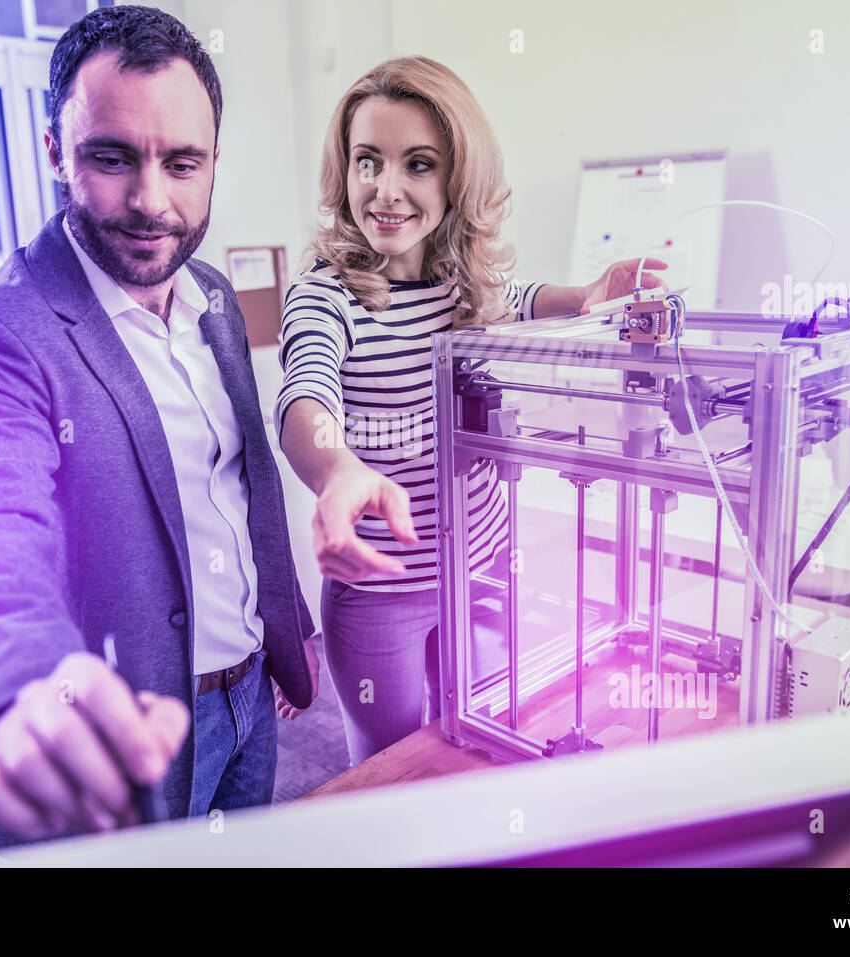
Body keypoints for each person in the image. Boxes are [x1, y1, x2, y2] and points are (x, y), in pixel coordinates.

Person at [0, 5, 317, 851]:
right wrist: (22, 686)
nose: (150, 201)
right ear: (55, 151)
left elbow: (238, 489)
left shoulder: (209, 295)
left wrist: (285, 632)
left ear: (213, 162)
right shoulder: (0, 325)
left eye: (182, 162)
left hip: (249, 704)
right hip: (125, 729)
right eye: (111, 157)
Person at [276, 56, 666, 766]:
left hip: (479, 570)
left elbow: (516, 297)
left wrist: (583, 296)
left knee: (477, 746)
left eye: (417, 165)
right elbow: (306, 395)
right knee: (391, 766)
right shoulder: (324, 297)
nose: (385, 191)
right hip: (377, 599)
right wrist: (336, 470)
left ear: (457, 177)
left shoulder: (462, 282)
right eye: (368, 162)